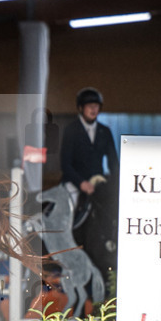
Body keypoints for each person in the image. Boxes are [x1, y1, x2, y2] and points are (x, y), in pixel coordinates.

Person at [60, 87, 119, 226]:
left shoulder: (105, 131)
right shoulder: (71, 130)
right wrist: (81, 183)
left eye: (96, 106)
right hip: (75, 182)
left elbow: (114, 163)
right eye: (89, 106)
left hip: (97, 182)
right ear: (81, 108)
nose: (94, 109)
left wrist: (114, 183)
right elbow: (65, 164)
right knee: (71, 206)